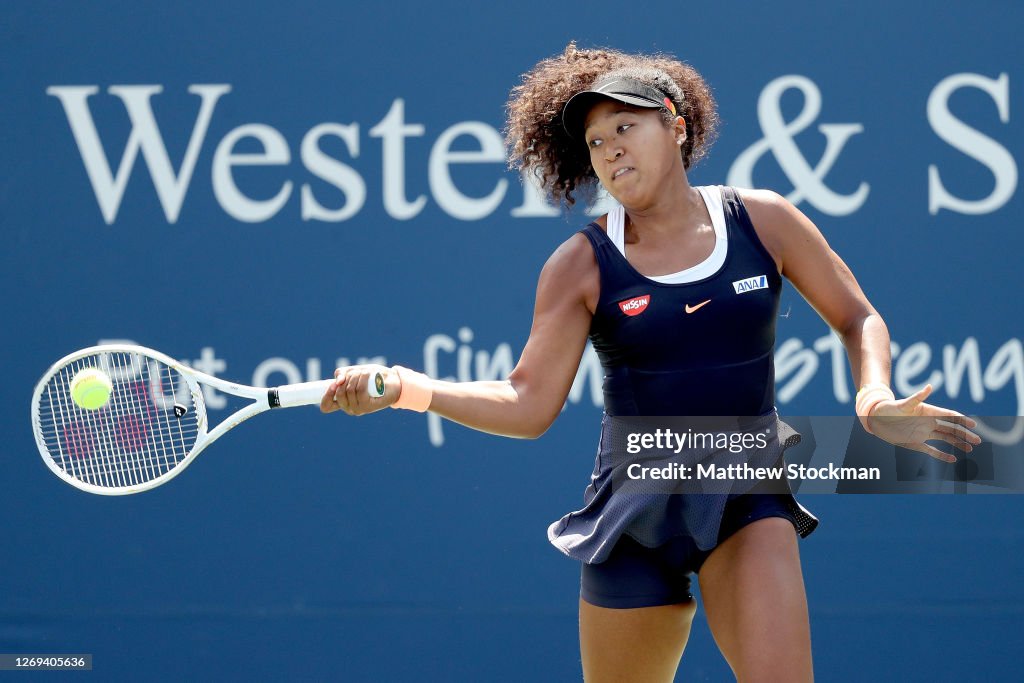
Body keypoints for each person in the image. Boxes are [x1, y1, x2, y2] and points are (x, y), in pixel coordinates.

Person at [320, 43, 980, 683]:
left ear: (677, 127)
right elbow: (528, 403)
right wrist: (408, 387)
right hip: (632, 518)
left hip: (744, 496)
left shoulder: (765, 221)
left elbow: (856, 316)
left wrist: (873, 396)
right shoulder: (579, 263)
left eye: (625, 127)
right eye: (597, 143)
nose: (610, 151)